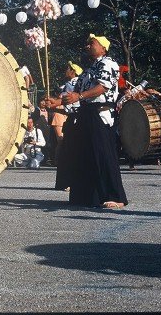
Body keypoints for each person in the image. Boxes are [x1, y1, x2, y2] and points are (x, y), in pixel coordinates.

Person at [51, 34, 127, 209]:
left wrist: (80, 96)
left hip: (100, 114)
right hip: (85, 113)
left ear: (103, 47)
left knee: (103, 155)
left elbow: (103, 87)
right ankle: (86, 196)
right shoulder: (88, 70)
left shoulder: (108, 64)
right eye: (87, 44)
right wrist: (55, 103)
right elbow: (74, 96)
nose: (87, 46)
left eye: (91, 43)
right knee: (84, 156)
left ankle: (115, 196)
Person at [46, 61, 82, 190]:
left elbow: (69, 105)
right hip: (76, 118)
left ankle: (68, 182)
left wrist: (53, 104)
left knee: (69, 151)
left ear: (73, 71)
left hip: (74, 120)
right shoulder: (79, 83)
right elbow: (68, 109)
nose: (66, 70)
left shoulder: (71, 84)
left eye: (68, 68)